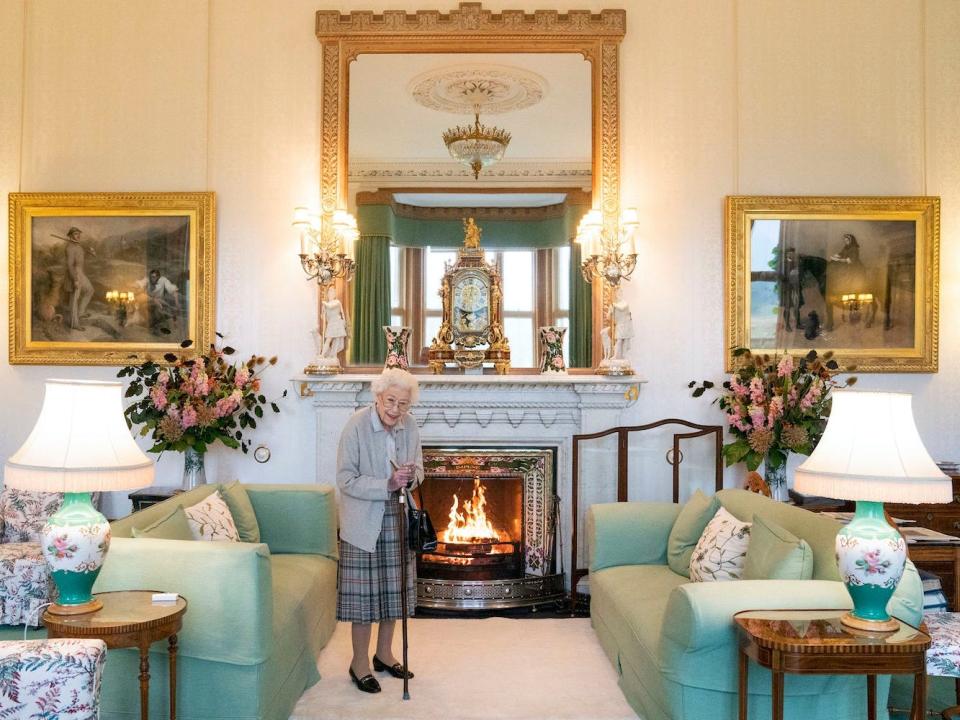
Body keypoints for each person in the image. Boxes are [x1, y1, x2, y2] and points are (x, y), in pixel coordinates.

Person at [336, 368, 423, 694]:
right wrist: (386, 483)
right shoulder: (356, 425)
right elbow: (344, 480)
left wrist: (410, 476)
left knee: (392, 593)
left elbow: (420, 471)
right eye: (390, 401)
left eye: (403, 403)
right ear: (378, 396)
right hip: (363, 521)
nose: (395, 410)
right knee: (365, 600)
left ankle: (384, 654)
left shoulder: (410, 426)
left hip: (398, 516)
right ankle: (359, 663)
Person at [63, 227, 94, 331]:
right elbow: (70, 265)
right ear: (71, 235)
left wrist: (90, 252)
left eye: (79, 234)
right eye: (76, 234)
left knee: (89, 290)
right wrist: (75, 279)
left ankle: (81, 313)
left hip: (80, 271)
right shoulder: (70, 248)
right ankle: (74, 324)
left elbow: (81, 259)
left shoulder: (79, 246)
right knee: (74, 298)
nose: (78, 235)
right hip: (74, 272)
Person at [135, 269, 181, 334]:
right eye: (151, 277)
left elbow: (173, 290)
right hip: (147, 301)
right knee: (145, 307)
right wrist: (137, 287)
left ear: (158, 277)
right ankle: (150, 325)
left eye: (154, 277)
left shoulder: (163, 280)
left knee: (163, 310)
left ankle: (168, 323)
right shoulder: (147, 280)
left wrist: (177, 303)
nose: (152, 279)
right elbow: (139, 285)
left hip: (159, 301)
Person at [320, 285, 349, 358]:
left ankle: (334, 355)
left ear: (335, 294)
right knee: (328, 340)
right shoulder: (326, 304)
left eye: (333, 291)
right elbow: (323, 317)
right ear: (327, 293)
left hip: (337, 323)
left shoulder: (337, 302)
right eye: (330, 291)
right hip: (331, 324)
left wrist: (324, 304)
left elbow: (331, 306)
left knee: (337, 340)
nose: (331, 292)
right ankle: (322, 355)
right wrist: (323, 311)